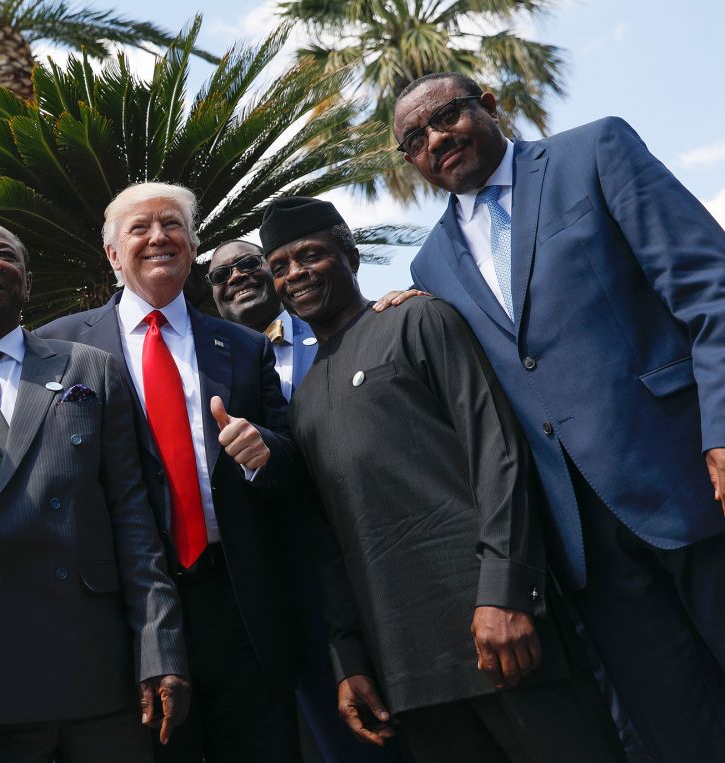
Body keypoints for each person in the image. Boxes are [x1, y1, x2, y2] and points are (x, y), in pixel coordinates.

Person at [395, 72, 725, 762]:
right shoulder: (430, 266)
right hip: (585, 547)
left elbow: (710, 293)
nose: (435, 139)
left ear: (488, 104)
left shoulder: (593, 151)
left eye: (446, 116)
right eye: (415, 140)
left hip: (692, 478)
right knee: (683, 735)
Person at [261, 195, 625, 763]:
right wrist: (350, 660)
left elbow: (497, 454)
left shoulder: (418, 320)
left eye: (309, 255)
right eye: (279, 267)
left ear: (350, 255)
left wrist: (506, 593)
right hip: (408, 666)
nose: (294, 275)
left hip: (502, 635)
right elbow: (327, 544)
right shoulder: (303, 401)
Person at [0, 221, 191, 761]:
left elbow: (133, 517)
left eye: (2, 254)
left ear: (27, 283)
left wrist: (160, 647)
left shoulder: (89, 368)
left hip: (98, 661)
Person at [38, 182, 303, 761]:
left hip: (238, 608)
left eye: (172, 226)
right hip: (123, 618)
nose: (158, 237)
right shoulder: (56, 349)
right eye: (140, 228)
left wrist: (264, 452)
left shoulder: (241, 346)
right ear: (112, 254)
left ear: (191, 245)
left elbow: (291, 460)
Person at [207, 240, 406, 763]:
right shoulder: (220, 374)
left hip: (388, 550)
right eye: (219, 275)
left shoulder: (349, 330)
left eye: (249, 265)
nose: (235, 278)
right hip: (303, 584)